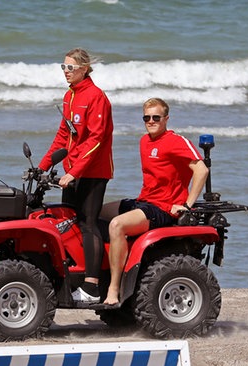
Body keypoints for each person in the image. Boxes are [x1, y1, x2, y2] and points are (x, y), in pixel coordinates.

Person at [102, 99, 208, 306]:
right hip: (144, 201)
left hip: (163, 208)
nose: (151, 121)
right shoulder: (144, 141)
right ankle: (102, 273)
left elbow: (202, 170)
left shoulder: (175, 141)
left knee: (117, 225)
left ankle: (114, 288)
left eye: (156, 118)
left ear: (166, 119)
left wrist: (186, 205)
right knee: (96, 213)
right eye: (147, 118)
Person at [40, 48, 114, 304]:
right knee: (68, 223)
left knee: (87, 223)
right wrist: (43, 166)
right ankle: (72, 276)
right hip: (71, 172)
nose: (66, 72)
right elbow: (64, 136)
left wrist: (74, 172)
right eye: (63, 67)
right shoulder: (69, 96)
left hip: (93, 172)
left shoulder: (96, 97)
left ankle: (92, 286)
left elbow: (96, 140)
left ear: (84, 69)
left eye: (70, 68)